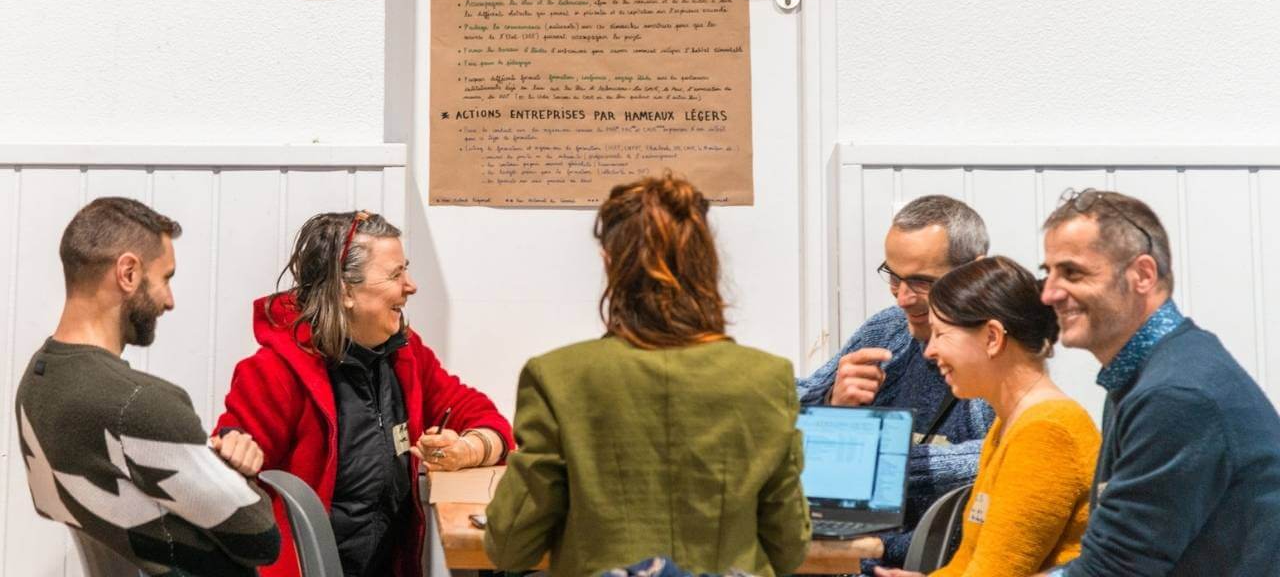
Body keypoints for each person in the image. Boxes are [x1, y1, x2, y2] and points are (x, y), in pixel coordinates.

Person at [484, 174, 811, 577]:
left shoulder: (557, 377)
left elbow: (511, 546)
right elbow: (789, 547)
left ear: (610, 264)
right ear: (707, 265)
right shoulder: (767, 379)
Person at [215, 210, 514, 577]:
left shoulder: (406, 355)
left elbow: (483, 414)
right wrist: (234, 450)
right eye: (395, 274)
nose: (411, 286)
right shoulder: (273, 373)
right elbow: (229, 469)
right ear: (345, 292)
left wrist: (469, 449)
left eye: (406, 270)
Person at [15, 197, 279, 575]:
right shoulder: (139, 403)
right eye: (166, 279)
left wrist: (219, 461)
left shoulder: (37, 383)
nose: (169, 302)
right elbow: (261, 537)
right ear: (128, 273)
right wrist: (240, 473)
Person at [1031, 189, 1280, 576]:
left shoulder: (1175, 394)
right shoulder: (1154, 372)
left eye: (1072, 273)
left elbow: (1113, 570)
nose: (1049, 294)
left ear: (1143, 275)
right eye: (1048, 273)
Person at [796, 195, 995, 569]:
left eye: (921, 281)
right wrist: (832, 403)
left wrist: (877, 458)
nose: (903, 297)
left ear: (975, 270)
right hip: (848, 555)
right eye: (893, 275)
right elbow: (792, 406)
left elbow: (1007, 458)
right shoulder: (889, 329)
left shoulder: (998, 352)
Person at [873, 257, 1100, 577]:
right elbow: (971, 561)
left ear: (992, 337)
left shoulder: (1046, 432)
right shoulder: (1011, 422)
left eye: (941, 334)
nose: (929, 351)